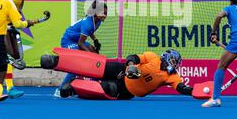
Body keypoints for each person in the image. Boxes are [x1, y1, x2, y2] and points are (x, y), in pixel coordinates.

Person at [55, 49, 193, 99]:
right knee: (98, 68)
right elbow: (133, 56)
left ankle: (72, 88)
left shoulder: (172, 76)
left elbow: (181, 87)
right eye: (174, 61)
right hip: (121, 69)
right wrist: (131, 66)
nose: (175, 64)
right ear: (166, 58)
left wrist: (192, 91)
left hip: (126, 90)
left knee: (104, 88)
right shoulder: (152, 57)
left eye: (177, 62)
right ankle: (55, 61)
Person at [54, 0, 107, 98]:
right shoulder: (88, 23)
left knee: (95, 53)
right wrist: (90, 57)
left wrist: (95, 40)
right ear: (96, 13)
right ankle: (60, 90)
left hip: (77, 40)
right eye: (102, 13)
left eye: (106, 13)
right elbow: (80, 43)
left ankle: (95, 84)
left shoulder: (98, 21)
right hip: (68, 41)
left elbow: (89, 32)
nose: (104, 16)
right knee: (76, 66)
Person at [0, 0, 27, 99]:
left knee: (16, 56)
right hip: (3, 25)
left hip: (14, 24)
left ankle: (6, 86)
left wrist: (17, 17)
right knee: (9, 56)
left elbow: (21, 4)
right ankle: (9, 87)